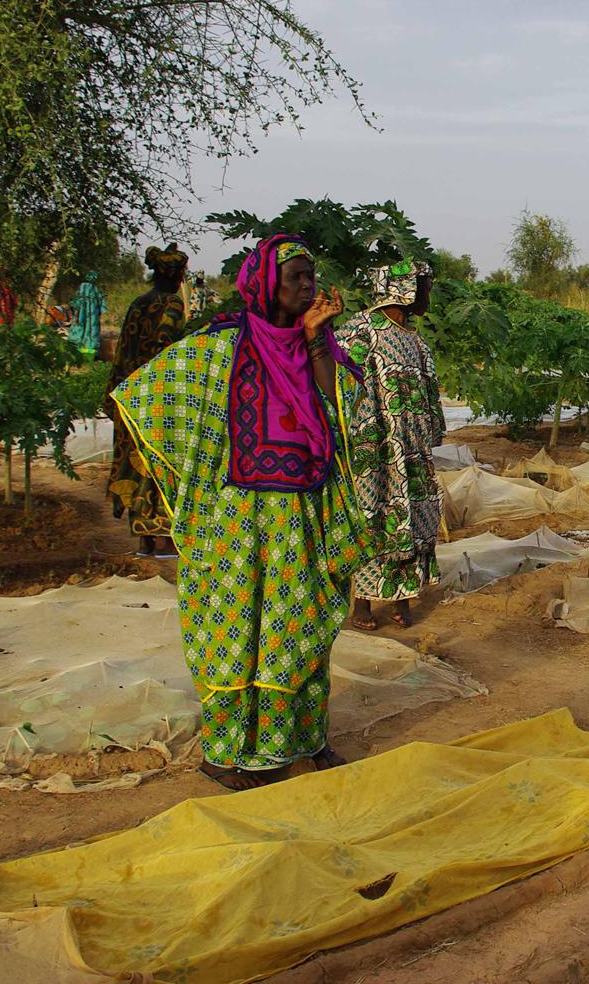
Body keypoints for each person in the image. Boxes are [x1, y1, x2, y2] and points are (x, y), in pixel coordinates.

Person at [110, 233, 368, 790]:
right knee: (236, 630)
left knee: (297, 627)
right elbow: (148, 392)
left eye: (311, 276)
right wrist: (189, 471)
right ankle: (223, 754)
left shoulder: (314, 347)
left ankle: (301, 740)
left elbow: (339, 408)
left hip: (301, 513)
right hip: (236, 519)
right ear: (266, 282)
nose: (309, 286)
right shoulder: (221, 345)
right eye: (297, 276)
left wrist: (318, 338)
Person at [336, 259, 444, 631]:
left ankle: (401, 595)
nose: (428, 294)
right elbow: (338, 383)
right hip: (374, 448)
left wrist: (430, 435)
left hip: (410, 448)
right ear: (404, 287)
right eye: (424, 285)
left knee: (412, 514)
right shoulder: (361, 330)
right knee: (373, 513)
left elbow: (429, 392)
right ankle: (362, 603)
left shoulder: (414, 340)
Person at [106, 245, 187, 557]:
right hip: (158, 398)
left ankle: (142, 539)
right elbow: (167, 349)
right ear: (176, 275)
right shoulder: (172, 305)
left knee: (134, 462)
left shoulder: (139, 303)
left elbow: (124, 351)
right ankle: (164, 538)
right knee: (160, 461)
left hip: (129, 395)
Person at [67, 270, 104, 359]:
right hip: (92, 316)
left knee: (80, 329)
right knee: (91, 330)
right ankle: (90, 351)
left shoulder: (82, 287)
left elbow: (75, 301)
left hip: (81, 313)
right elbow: (101, 304)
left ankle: (76, 350)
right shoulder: (95, 289)